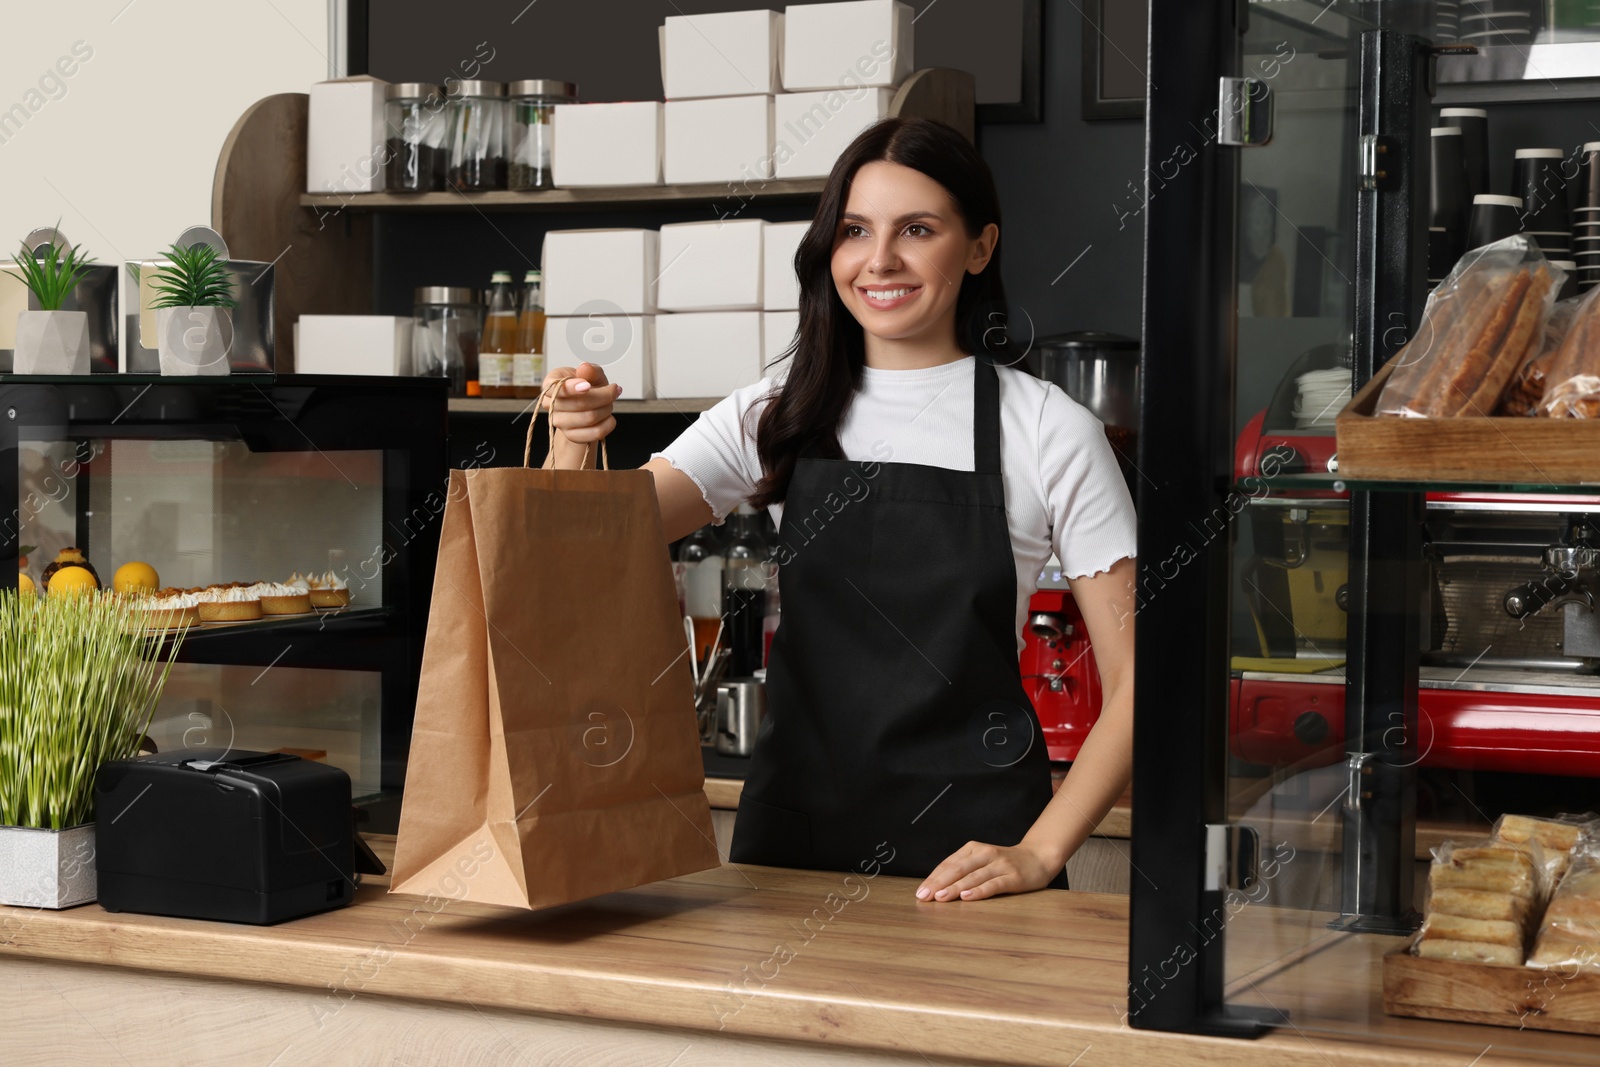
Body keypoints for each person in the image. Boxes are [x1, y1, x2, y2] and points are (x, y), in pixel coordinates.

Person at [539, 118, 1137, 902]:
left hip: (975, 859)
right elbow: (580, 545)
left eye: (917, 229)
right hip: (791, 847)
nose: (879, 260)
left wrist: (1040, 850)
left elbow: (1139, 676)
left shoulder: (1048, 427)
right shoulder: (776, 413)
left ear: (981, 246)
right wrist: (571, 444)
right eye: (855, 231)